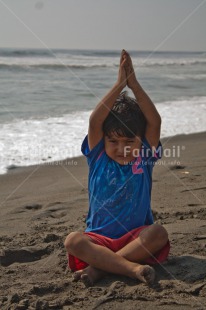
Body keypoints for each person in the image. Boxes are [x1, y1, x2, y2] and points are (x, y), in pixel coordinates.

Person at [64, 50, 170, 287]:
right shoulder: (98, 156)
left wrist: (134, 84)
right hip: (98, 241)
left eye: (129, 142)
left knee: (158, 233)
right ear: (104, 141)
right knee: (73, 241)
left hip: (135, 239)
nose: (121, 148)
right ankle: (130, 268)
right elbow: (95, 121)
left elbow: (154, 121)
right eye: (113, 141)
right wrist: (119, 84)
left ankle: (100, 269)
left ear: (140, 141)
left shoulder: (144, 157)